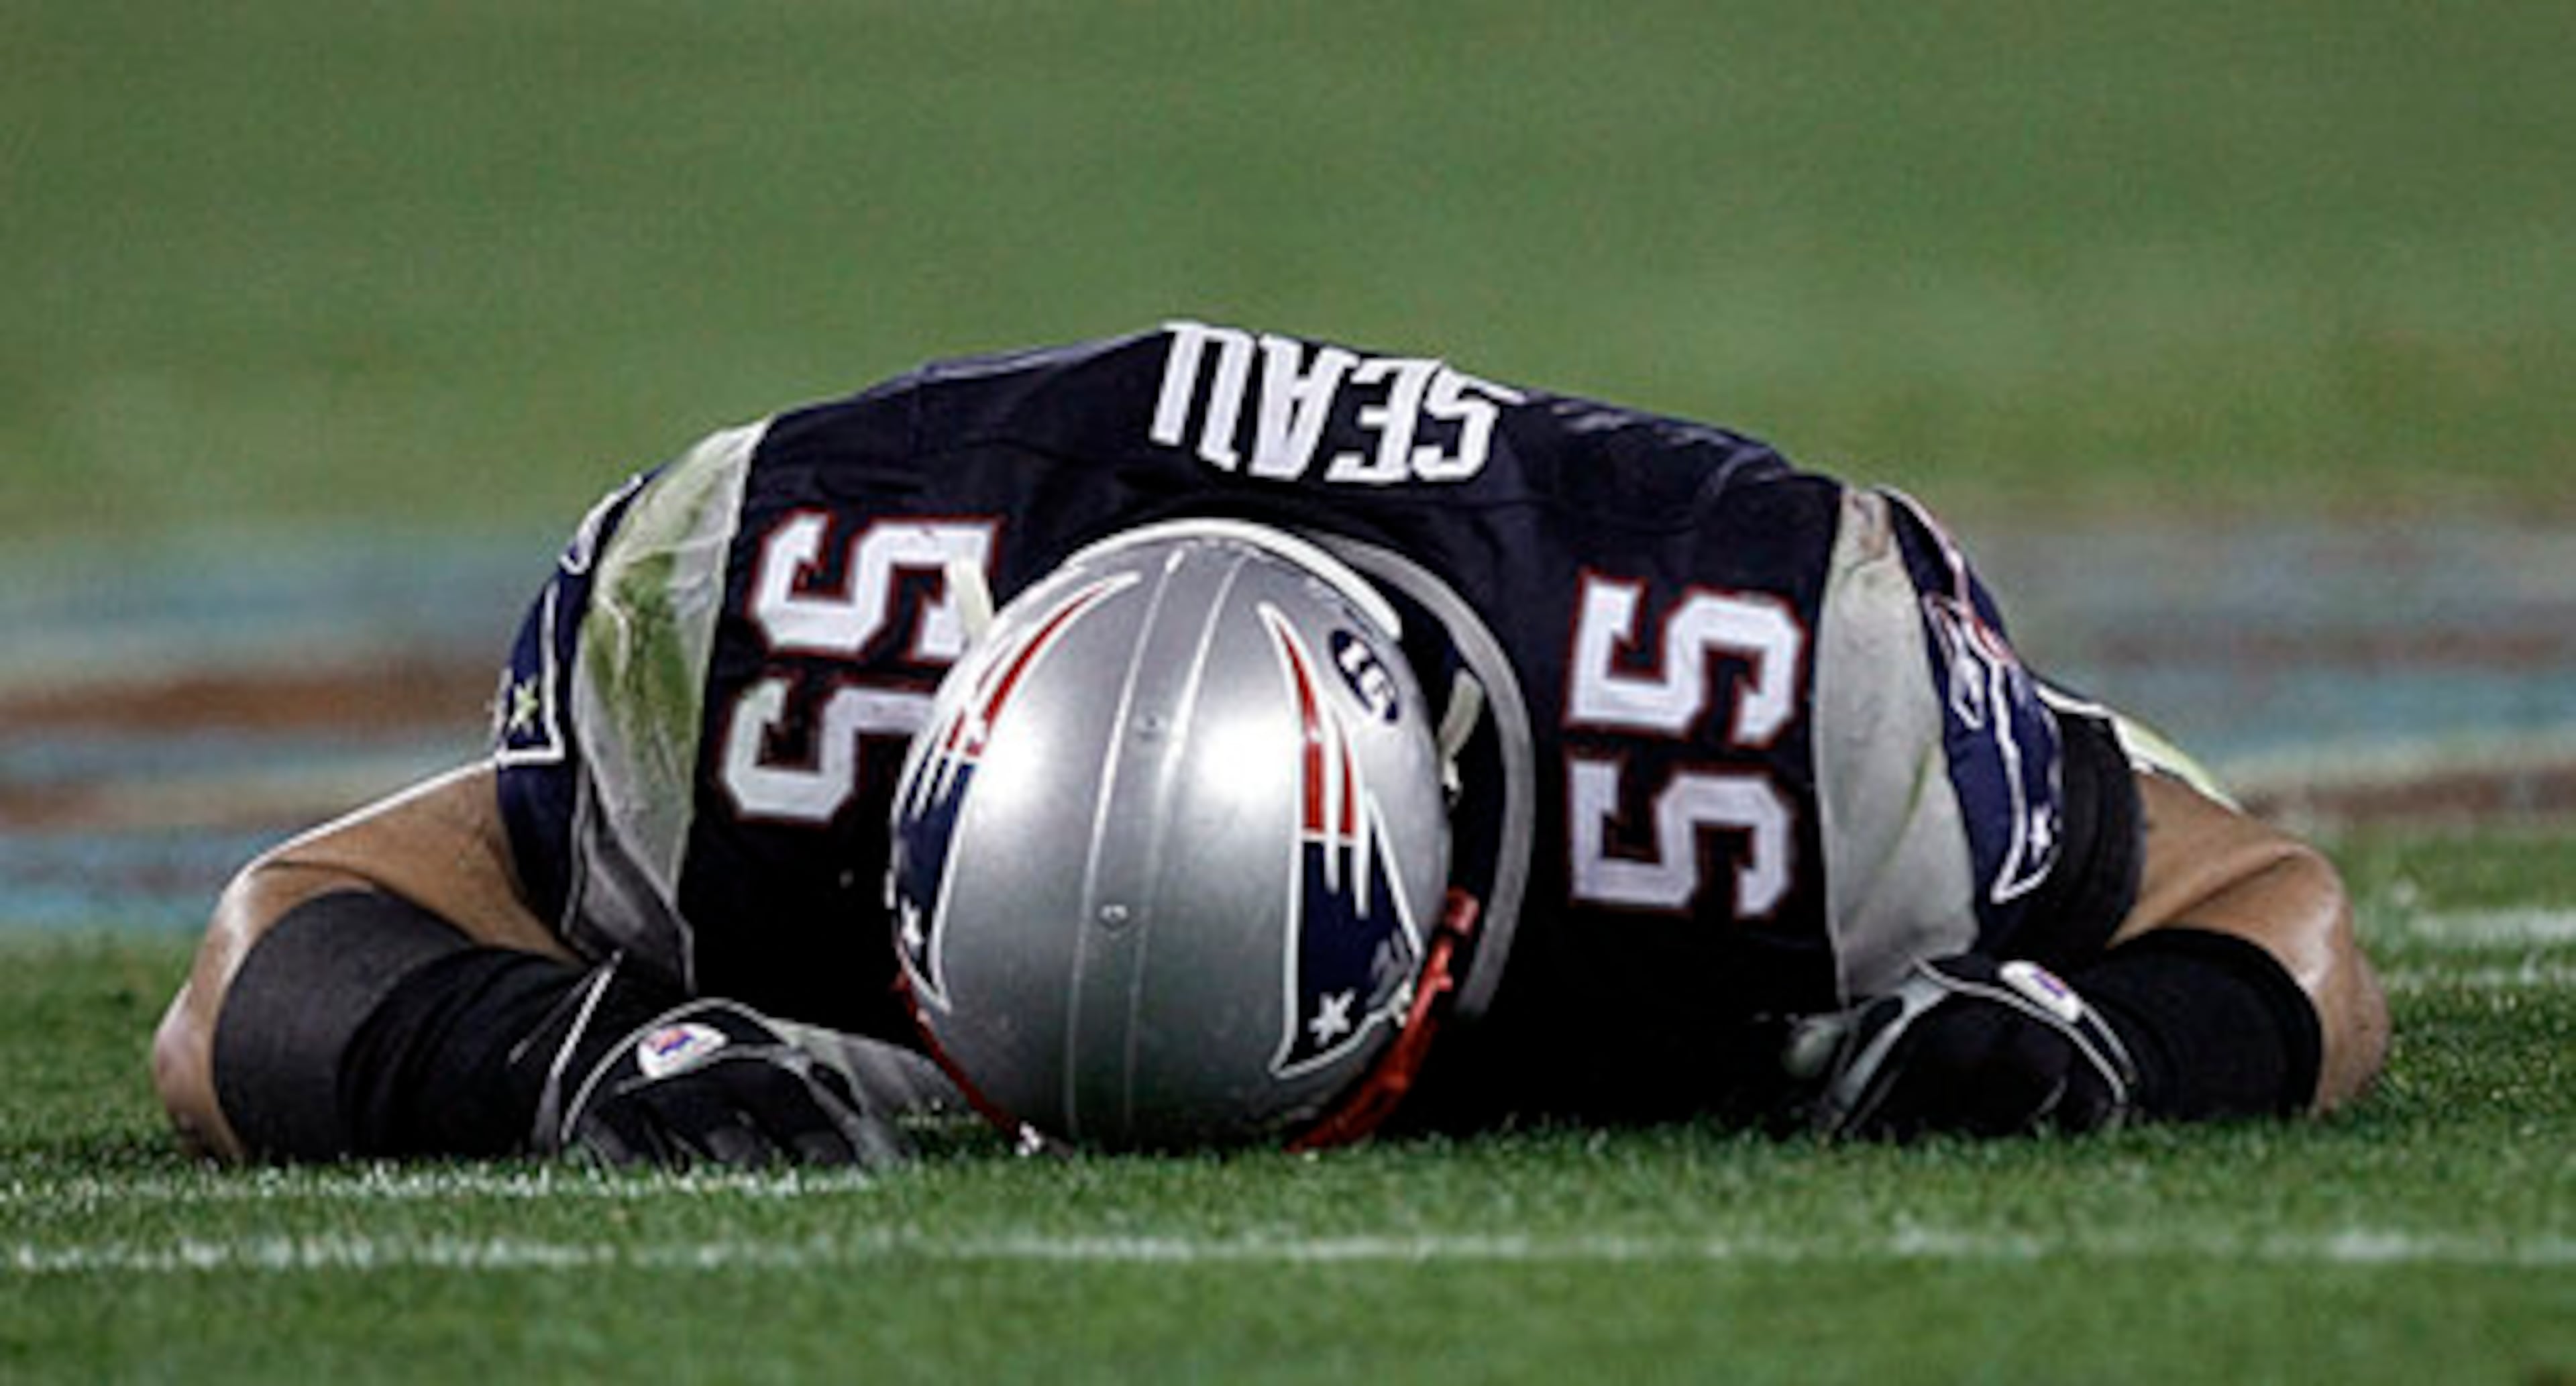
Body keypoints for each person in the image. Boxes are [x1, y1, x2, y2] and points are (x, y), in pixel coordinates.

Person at [150, 321, 2388, 1167]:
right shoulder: (764, 634)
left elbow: (2273, 905)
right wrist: (542, 1061)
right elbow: (258, 959)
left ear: (1447, 923)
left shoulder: (1770, 696)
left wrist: (2104, 1037)